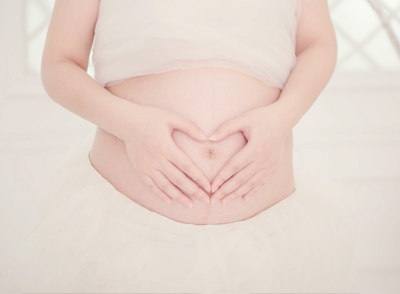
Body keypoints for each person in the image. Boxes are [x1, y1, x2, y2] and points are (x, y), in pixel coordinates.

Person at [0, 0, 359, 292]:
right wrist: (131, 126)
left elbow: (318, 43)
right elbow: (59, 63)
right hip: (123, 237)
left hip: (269, 242)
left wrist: (282, 118)